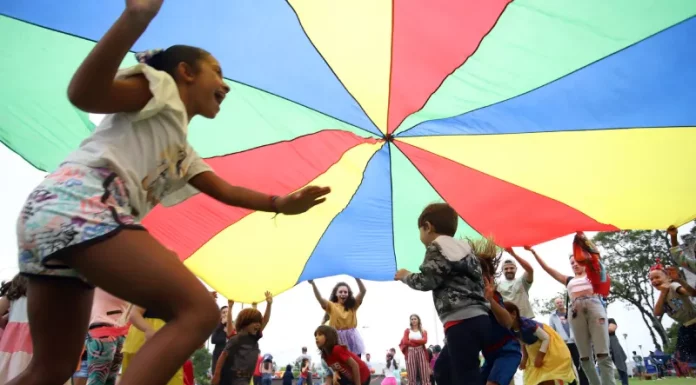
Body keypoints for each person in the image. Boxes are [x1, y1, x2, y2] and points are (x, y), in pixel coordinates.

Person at [11, 2, 331, 385]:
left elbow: (226, 191)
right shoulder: (159, 91)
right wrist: (136, 18)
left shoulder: (180, 150)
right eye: (217, 71)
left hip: (48, 218)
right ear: (185, 73)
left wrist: (279, 203)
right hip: (83, 205)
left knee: (51, 369)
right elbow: (86, 93)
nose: (225, 84)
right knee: (198, 310)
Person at [394, 203, 491, 385]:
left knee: (466, 375)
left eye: (420, 230)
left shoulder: (436, 247)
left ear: (428, 227)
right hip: (480, 320)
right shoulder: (466, 250)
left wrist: (405, 276)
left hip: (460, 322)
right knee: (442, 370)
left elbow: (427, 281)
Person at [527, 237, 615, 385]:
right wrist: (534, 254)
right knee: (585, 356)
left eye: (577, 261)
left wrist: (583, 242)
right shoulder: (569, 280)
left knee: (602, 353)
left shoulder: (593, 275)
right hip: (576, 312)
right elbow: (549, 270)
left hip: (594, 309)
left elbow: (597, 259)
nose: (574, 264)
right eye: (571, 263)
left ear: (584, 260)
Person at [505, 302, 576, 385]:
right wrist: (524, 358)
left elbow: (546, 338)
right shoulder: (510, 329)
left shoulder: (527, 324)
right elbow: (523, 341)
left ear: (513, 314)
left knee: (549, 374)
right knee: (535, 377)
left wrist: (540, 356)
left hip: (549, 344)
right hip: (533, 348)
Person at [213, 292, 273, 385]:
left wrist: (269, 304)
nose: (258, 325)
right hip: (235, 379)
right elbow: (223, 355)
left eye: (258, 322)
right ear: (245, 324)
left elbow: (265, 320)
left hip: (246, 379)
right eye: (254, 322)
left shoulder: (254, 338)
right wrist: (217, 375)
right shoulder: (236, 338)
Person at [650, 263, 696, 364]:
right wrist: (663, 293)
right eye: (651, 279)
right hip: (686, 327)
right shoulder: (662, 295)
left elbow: (692, 293)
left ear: (668, 278)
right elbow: (657, 312)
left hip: (694, 323)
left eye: (657, 277)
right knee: (686, 358)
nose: (654, 281)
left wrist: (679, 280)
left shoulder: (673, 286)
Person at [310, 279, 367, 357]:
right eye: (340, 292)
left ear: (348, 294)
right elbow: (320, 298)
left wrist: (356, 277)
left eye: (345, 292)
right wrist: (313, 284)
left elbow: (363, 291)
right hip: (337, 338)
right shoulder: (331, 306)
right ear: (336, 294)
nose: (343, 294)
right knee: (341, 363)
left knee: (356, 363)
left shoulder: (353, 305)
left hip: (352, 338)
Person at [549, 297, 588, 385]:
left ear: (563, 302)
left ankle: (584, 383)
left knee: (580, 363)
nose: (559, 304)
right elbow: (552, 330)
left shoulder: (572, 311)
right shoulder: (553, 316)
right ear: (555, 305)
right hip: (564, 344)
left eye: (561, 302)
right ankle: (572, 383)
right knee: (567, 365)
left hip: (575, 342)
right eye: (557, 303)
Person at [498, 248, 535, 318]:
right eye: (506, 269)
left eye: (511, 268)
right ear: (502, 270)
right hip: (506, 321)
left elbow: (530, 270)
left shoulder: (522, 281)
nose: (509, 270)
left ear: (516, 269)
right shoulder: (497, 284)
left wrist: (514, 254)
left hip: (525, 320)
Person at [399, 314, 430, 385]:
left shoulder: (423, 331)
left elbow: (425, 341)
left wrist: (412, 340)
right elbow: (405, 341)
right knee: (411, 374)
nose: (413, 320)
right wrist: (418, 342)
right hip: (411, 352)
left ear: (418, 320)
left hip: (421, 351)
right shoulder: (407, 330)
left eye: (415, 319)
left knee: (424, 373)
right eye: (412, 319)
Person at [607, 319, 628, 385]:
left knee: (621, 368)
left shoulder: (610, 320)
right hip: (601, 344)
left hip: (613, 343)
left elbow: (611, 329)